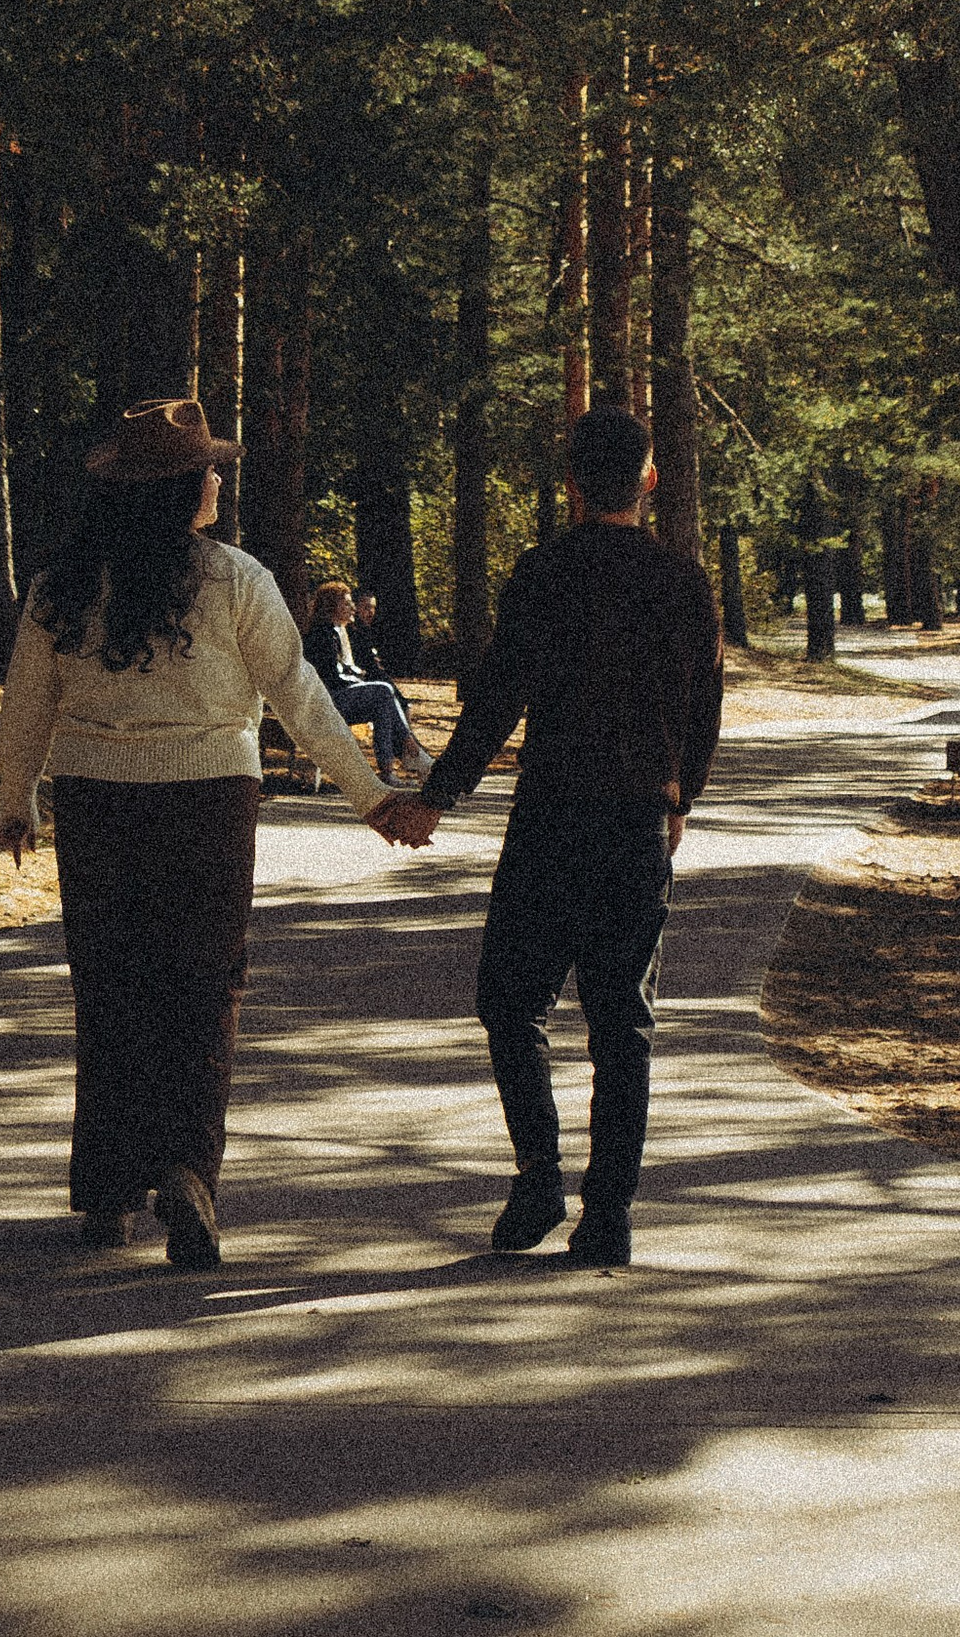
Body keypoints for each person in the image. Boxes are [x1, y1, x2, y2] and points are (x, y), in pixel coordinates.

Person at [0, 397, 432, 1269]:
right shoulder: (234, 578)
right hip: (208, 805)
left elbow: (26, 703)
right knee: (203, 991)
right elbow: (298, 695)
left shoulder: (62, 585)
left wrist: (18, 798)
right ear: (184, 486)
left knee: (111, 987)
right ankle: (189, 1173)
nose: (220, 479)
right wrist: (370, 796)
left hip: (98, 804)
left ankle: (111, 1189)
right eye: (209, 469)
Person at [388, 404, 724, 1272]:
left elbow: (498, 697)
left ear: (571, 486)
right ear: (649, 481)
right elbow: (704, 707)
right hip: (635, 821)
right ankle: (606, 1215)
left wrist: (438, 794)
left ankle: (539, 1174)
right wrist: (681, 796)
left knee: (511, 1002)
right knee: (624, 1024)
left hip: (550, 819)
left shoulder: (543, 574)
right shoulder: (683, 582)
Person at [302, 580, 431, 785]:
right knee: (383, 690)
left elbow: (346, 668)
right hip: (327, 700)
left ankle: (388, 772)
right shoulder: (323, 634)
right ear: (331, 607)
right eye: (346, 604)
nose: (352, 608)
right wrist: (360, 679)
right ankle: (410, 745)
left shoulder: (341, 631)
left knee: (382, 706)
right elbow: (332, 677)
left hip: (340, 696)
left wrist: (359, 677)